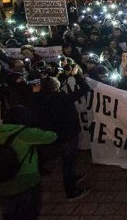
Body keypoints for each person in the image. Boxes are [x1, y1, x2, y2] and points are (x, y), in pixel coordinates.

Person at [0, 106, 57, 220]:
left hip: (1, 185)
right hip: (26, 182)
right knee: (29, 214)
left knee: (10, 215)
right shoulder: (26, 133)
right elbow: (52, 136)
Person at [29, 74, 91, 202]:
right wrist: (77, 75)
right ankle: (72, 192)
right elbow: (85, 88)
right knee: (68, 163)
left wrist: (35, 93)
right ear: (57, 87)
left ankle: (73, 178)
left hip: (53, 136)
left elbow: (34, 109)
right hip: (68, 135)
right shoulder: (63, 98)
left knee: (68, 161)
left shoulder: (39, 99)